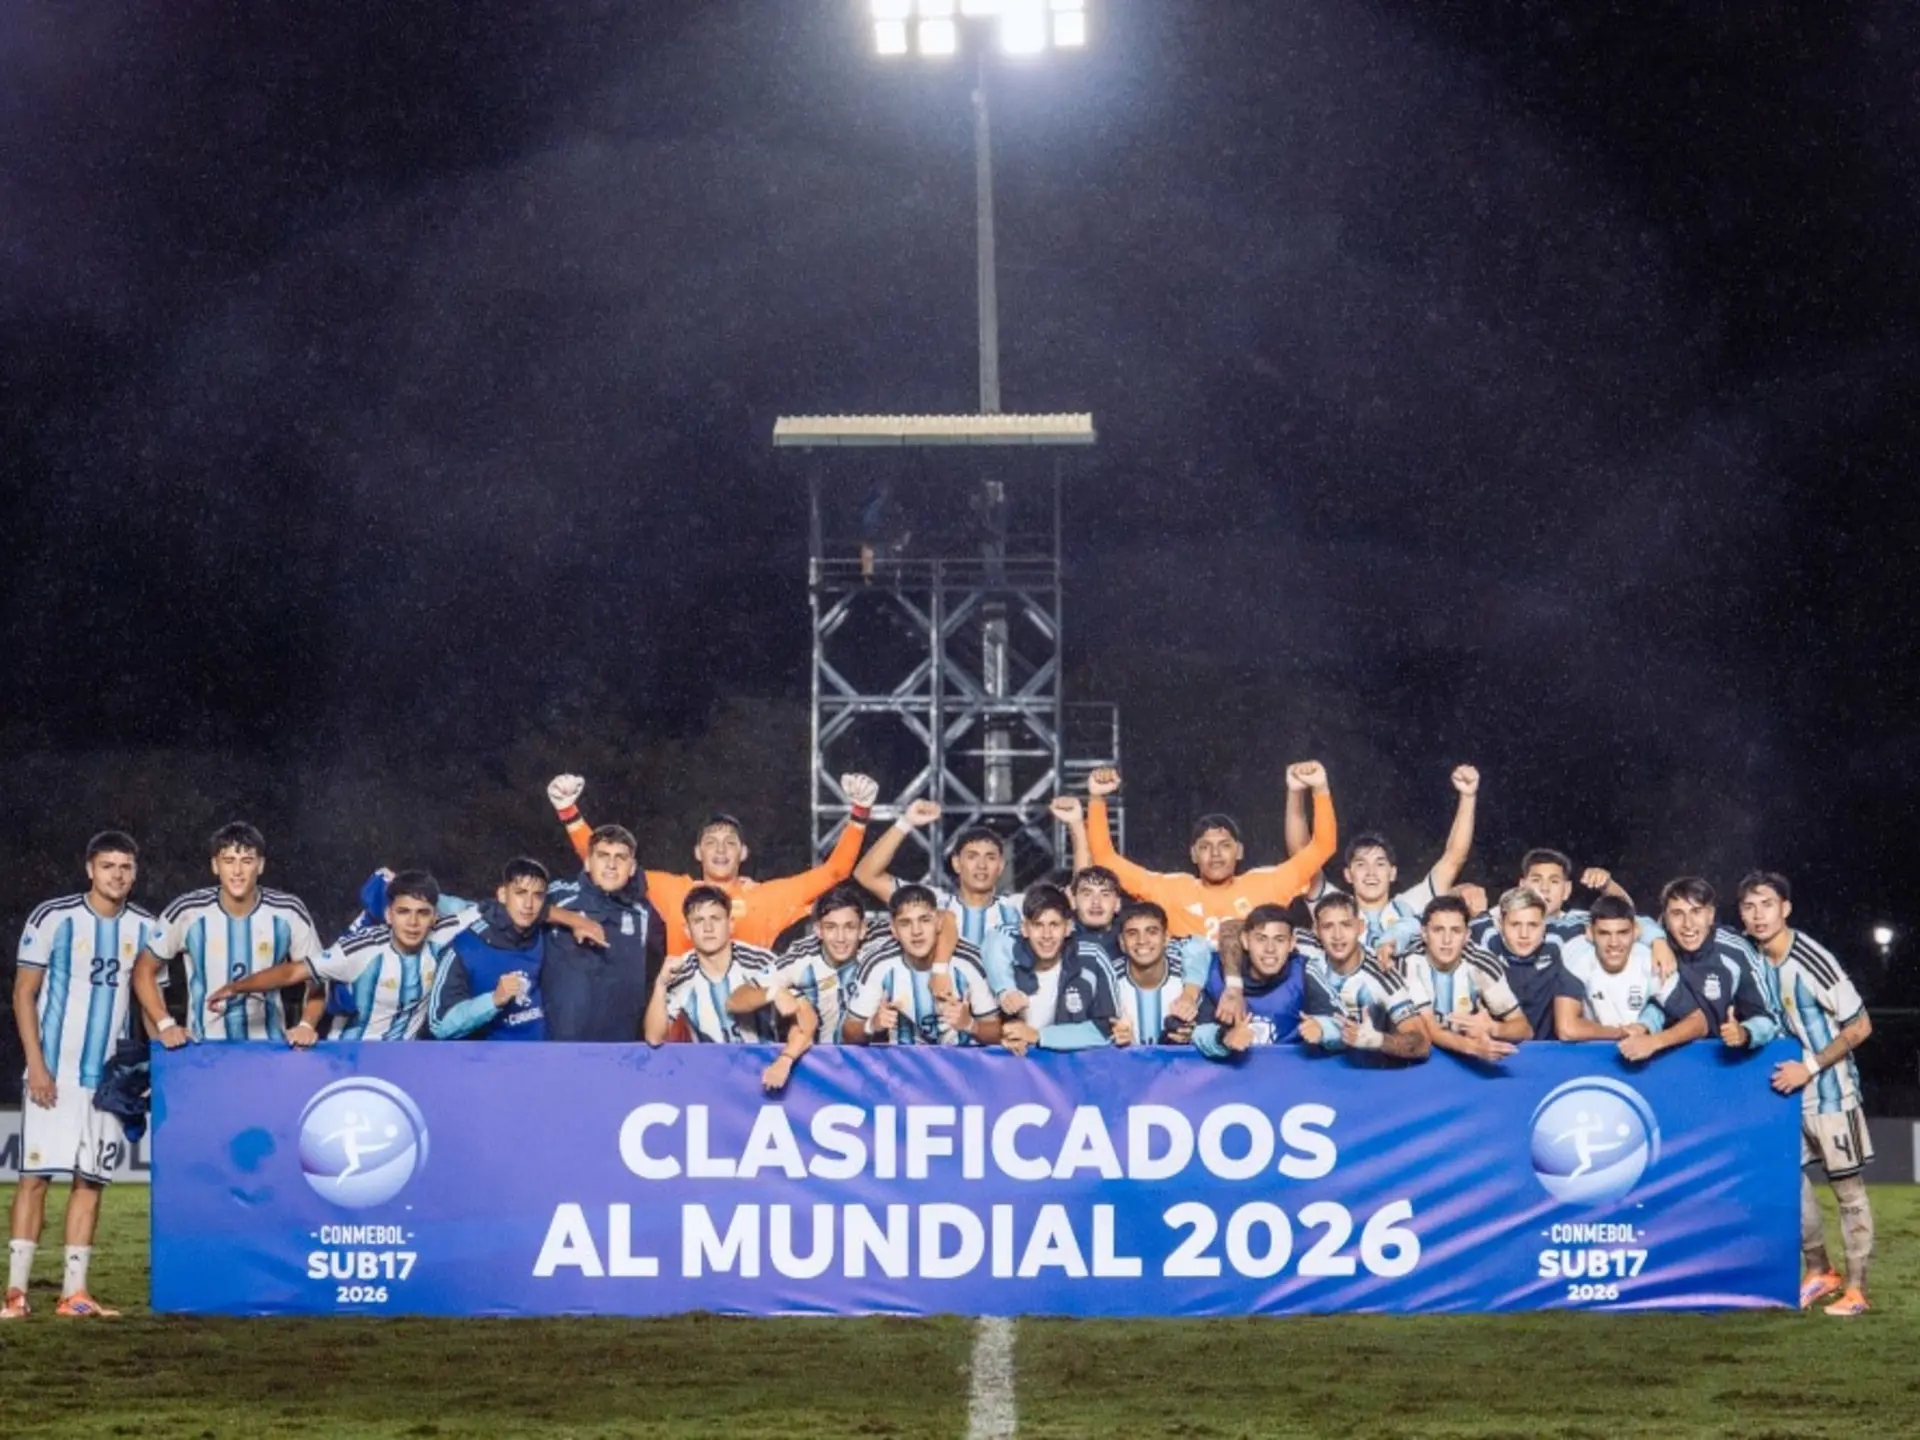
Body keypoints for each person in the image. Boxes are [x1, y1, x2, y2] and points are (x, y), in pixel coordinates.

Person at [6, 832, 159, 1320]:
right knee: (34, 1179)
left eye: (126, 866)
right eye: (108, 865)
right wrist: (36, 1064)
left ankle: (74, 1293)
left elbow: (151, 1002)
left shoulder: (147, 927)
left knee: (90, 1182)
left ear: (135, 873)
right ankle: (15, 1294)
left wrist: (154, 1065)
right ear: (90, 869)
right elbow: (23, 993)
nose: (118, 874)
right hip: (54, 1075)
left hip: (107, 1082)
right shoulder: (54, 917)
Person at [1738, 871, 1875, 1316]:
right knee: (1787, 1181)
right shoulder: (1752, 957)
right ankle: (1820, 1270)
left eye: (1767, 904)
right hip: (1785, 1097)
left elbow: (1861, 1025)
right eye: (1749, 907)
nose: (1758, 915)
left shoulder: (1811, 959)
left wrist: (1811, 1067)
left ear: (1786, 908)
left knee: (1847, 1191)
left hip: (1831, 1094)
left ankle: (1856, 1290)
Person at [546, 771, 878, 953]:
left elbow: (835, 871)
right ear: (697, 852)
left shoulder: (768, 897)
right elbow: (606, 865)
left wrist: (860, 813)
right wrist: (568, 812)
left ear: (743, 853)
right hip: (682, 1037)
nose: (720, 849)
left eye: (730, 843)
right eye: (711, 842)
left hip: (745, 1032)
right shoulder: (674, 890)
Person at [206, 871, 460, 1043]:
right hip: (349, 1058)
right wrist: (236, 987)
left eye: (423, 913)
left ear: (435, 917)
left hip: (404, 1062)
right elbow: (294, 971)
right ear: (389, 915)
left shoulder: (445, 933)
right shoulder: (360, 949)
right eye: (403, 911)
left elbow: (480, 910)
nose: (413, 922)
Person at [132, 822, 323, 1050]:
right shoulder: (188, 911)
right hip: (203, 1050)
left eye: (247, 861)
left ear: (261, 865)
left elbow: (319, 976)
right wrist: (166, 1024)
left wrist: (306, 1024)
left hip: (268, 1050)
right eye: (229, 860)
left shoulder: (289, 911)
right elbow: (143, 969)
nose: (237, 871)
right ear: (215, 865)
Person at [645, 886, 819, 1093]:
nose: (708, 928)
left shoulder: (759, 962)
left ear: (731, 924)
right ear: (687, 930)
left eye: (716, 919)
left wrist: (785, 1060)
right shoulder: (681, 972)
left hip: (768, 1077)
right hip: (713, 1084)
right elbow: (654, 1038)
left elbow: (806, 1018)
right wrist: (660, 985)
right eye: (698, 921)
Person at [1296, 766, 1481, 946]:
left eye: (1380, 864)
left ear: (1392, 873)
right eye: (1361, 864)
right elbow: (1302, 857)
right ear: (1348, 874)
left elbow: (1454, 859)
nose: (1371, 872)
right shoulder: (1333, 910)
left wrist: (1468, 797)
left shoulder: (1410, 906)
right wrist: (1296, 792)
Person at [543, 824, 668, 1043]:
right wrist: (572, 919)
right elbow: (513, 909)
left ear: (632, 868)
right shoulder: (560, 894)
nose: (611, 864)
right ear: (588, 862)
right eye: (603, 856)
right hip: (563, 1045)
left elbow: (655, 975)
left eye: (621, 857)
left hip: (621, 1047)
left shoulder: (646, 913)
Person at [1637, 876, 1780, 1063]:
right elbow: (1625, 921)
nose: (1688, 924)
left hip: (1723, 1059)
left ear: (1710, 915)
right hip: (1665, 1057)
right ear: (1666, 918)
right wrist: (1657, 940)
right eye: (1677, 913)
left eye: (1696, 911)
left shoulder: (1735, 951)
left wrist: (1745, 1032)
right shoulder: (1658, 945)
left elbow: (1768, 1018)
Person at [841, 885, 1000, 1047]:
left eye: (924, 920)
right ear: (894, 930)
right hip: (902, 1061)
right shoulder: (878, 965)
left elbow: (998, 1034)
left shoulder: (969, 962)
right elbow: (848, 1034)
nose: (916, 931)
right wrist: (871, 1025)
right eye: (905, 923)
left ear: (938, 923)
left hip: (961, 1060)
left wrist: (970, 1025)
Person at [853, 799, 1024, 947]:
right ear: (956, 863)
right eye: (972, 856)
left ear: (1001, 865)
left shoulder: (1018, 907)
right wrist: (906, 822)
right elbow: (866, 875)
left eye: (990, 857)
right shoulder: (934, 903)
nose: (981, 865)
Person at [428, 859, 556, 1041]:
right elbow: (439, 1025)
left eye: (537, 895)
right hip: (491, 1057)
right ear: (502, 894)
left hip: (544, 1054)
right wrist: (493, 1000)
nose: (529, 904)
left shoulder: (545, 936)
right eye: (520, 893)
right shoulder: (464, 947)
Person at [1397, 895, 1528, 1063]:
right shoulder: (1408, 963)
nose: (1447, 940)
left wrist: (1493, 1028)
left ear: (1467, 935)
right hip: (1418, 1061)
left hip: (1467, 1062)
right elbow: (1429, 1028)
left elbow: (1524, 1028)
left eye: (1456, 931)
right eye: (1438, 930)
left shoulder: (1482, 965)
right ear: (1424, 933)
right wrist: (1474, 1048)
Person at [1299, 893, 1429, 1061]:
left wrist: (1379, 1040)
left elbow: (1422, 1041)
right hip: (1312, 1063)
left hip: (1364, 1067)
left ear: (1360, 927)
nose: (1337, 935)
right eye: (1328, 926)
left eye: (1346, 925)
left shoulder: (1382, 975)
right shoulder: (1305, 946)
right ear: (1316, 930)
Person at [993, 886, 1120, 1056]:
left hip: (1077, 1069)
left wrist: (1039, 1036)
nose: (1047, 935)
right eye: (1038, 925)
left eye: (1054, 925)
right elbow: (991, 1028)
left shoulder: (1092, 959)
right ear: (1024, 928)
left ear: (1068, 927)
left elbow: (1110, 1029)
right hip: (1022, 1067)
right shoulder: (1006, 966)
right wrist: (1007, 1036)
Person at [1189, 906, 1308, 1058]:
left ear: (1292, 943)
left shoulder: (1304, 972)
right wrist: (1224, 1038)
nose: (1270, 949)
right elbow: (1199, 1032)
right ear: (1245, 941)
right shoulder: (1216, 973)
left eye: (1279, 940)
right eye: (1261, 939)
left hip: (1290, 1070)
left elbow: (1332, 1020)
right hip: (1230, 1072)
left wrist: (1323, 1029)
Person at [1469, 887, 1586, 1042]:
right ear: (1500, 924)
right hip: (1494, 1049)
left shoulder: (1558, 943)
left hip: (1547, 1050)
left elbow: (1612, 919)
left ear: (1544, 925)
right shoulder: (1485, 942)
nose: (1524, 934)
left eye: (1533, 925)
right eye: (1515, 924)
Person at [1554, 894, 1670, 1044]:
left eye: (1622, 933)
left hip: (1640, 1045)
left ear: (1635, 932)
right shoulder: (1576, 956)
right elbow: (1567, 1029)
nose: (1613, 943)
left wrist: (1647, 1025)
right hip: (1590, 1047)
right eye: (1604, 933)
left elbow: (1692, 1015)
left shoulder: (1652, 958)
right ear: (1590, 933)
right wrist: (1621, 1033)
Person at [769, 884, 870, 1041]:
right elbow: (744, 993)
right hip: (812, 1053)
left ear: (862, 929)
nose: (840, 938)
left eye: (849, 927)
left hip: (868, 1054)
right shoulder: (800, 958)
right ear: (818, 930)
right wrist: (781, 993)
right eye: (831, 927)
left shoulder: (876, 955)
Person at [1107, 901, 1198, 1047]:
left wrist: (1192, 1035)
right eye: (1132, 934)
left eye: (1152, 932)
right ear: (1122, 943)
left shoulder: (1187, 974)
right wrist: (1112, 1040)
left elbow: (1200, 945)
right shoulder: (1108, 978)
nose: (1142, 941)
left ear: (1166, 939)